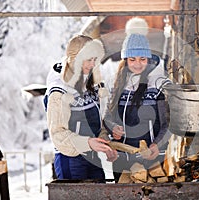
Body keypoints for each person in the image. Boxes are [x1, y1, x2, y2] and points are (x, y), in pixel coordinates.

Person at [103, 17, 171, 182]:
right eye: (132, 59)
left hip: (151, 158)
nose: (138, 64)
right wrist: (113, 128)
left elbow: (168, 124)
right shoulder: (117, 83)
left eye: (142, 59)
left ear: (148, 59)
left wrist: (157, 145)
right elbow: (108, 117)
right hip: (122, 159)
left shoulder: (157, 84)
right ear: (125, 60)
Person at [46, 35, 117, 180]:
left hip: (93, 158)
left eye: (94, 60)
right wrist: (88, 143)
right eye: (88, 59)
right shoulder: (59, 91)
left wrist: (105, 142)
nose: (92, 65)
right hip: (71, 160)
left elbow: (97, 123)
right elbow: (58, 135)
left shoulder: (90, 85)